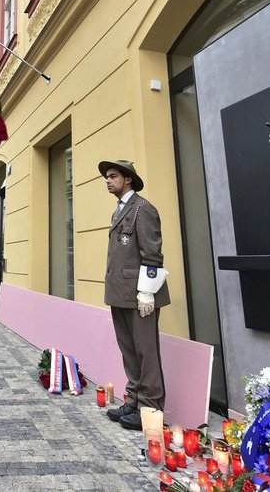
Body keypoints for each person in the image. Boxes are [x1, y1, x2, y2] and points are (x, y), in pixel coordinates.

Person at [98, 159, 170, 431]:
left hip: (140, 293)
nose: (108, 180)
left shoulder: (143, 208)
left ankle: (150, 406)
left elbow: (152, 253)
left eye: (113, 176)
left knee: (146, 351)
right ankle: (135, 398)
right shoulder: (119, 211)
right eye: (106, 177)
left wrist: (147, 292)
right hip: (120, 292)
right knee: (129, 349)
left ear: (127, 179)